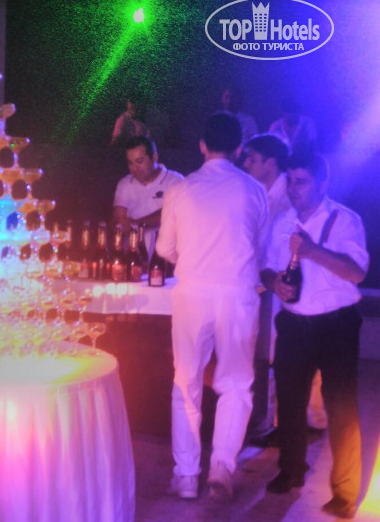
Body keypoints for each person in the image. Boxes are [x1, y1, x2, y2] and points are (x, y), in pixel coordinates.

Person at [156, 112, 268, 501]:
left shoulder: (181, 189)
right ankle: (222, 464)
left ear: (202, 145)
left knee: (185, 383)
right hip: (239, 294)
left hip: (193, 293)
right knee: (236, 384)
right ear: (239, 148)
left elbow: (164, 248)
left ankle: (187, 475)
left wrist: (191, 255)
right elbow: (260, 247)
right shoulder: (254, 189)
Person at [261, 153, 367, 519]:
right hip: (293, 323)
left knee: (341, 409)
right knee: (290, 402)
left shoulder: (345, 220)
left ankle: (345, 492)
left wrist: (312, 251)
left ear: (323, 184)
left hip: (336, 326)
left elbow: (356, 272)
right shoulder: (282, 221)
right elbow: (266, 268)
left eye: (301, 182)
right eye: (290, 182)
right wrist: (274, 282)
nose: (293, 189)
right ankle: (290, 470)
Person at [242, 134, 326, 446]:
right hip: (268, 281)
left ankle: (307, 420)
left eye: (252, 159)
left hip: (295, 284)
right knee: (272, 354)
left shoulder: (289, 198)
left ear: (270, 163)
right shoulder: (258, 192)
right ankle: (278, 422)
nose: (246, 164)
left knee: (294, 352)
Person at [112, 135, 183, 257]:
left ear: (154, 158)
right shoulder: (124, 183)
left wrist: (135, 225)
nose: (135, 168)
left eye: (140, 161)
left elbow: (173, 213)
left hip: (167, 260)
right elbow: (119, 221)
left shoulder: (176, 181)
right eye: (130, 163)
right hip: (132, 259)